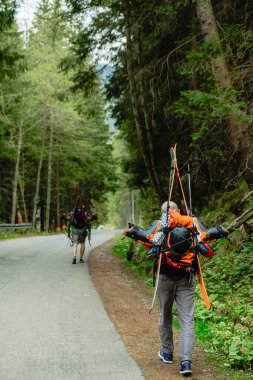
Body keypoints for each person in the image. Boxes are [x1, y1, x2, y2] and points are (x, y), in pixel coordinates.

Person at [124, 200, 229, 377]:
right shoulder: (192, 223)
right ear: (178, 210)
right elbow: (207, 239)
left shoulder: (159, 225)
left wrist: (132, 232)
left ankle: (167, 352)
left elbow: (147, 238)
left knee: (165, 315)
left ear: (162, 212)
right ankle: (186, 361)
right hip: (187, 277)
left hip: (164, 277)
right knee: (187, 320)